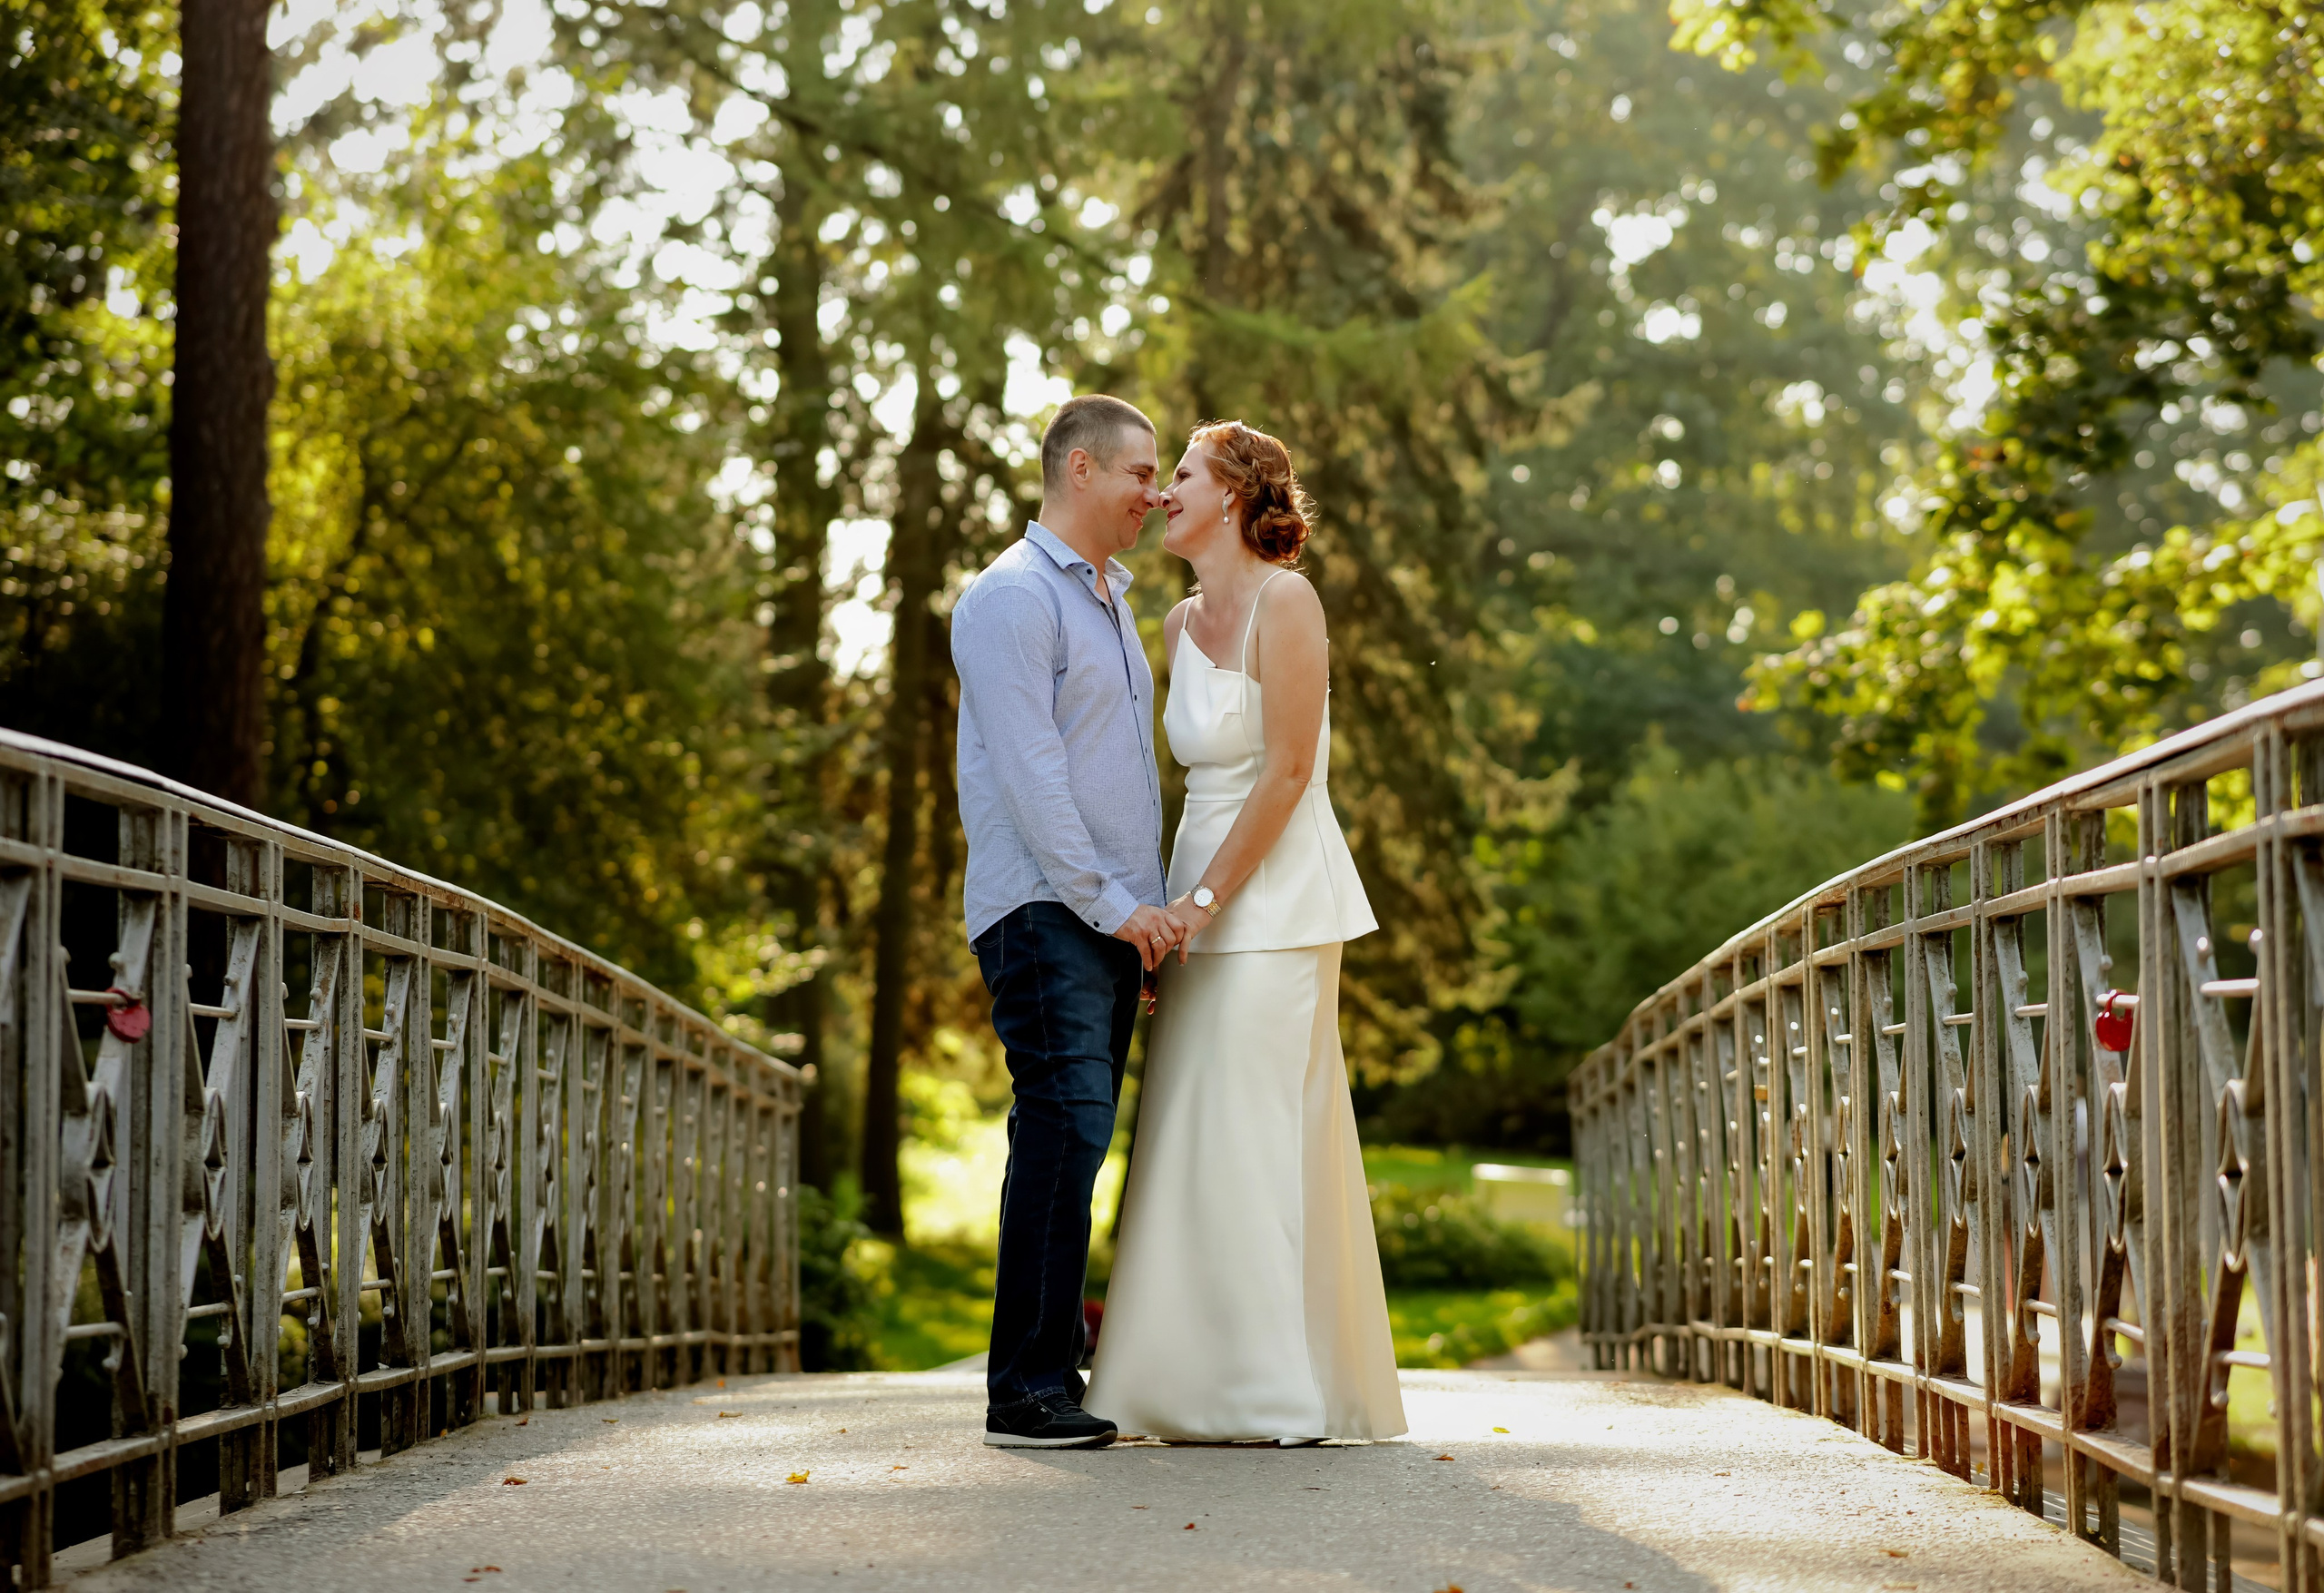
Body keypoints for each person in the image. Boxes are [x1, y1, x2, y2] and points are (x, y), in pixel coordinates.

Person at [1084, 419, 1406, 1446]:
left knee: (1261, 1129)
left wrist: (1207, 903)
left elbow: (1286, 771)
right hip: (1193, 902)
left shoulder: (1287, 600)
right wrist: (1157, 910)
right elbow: (1177, 781)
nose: (1159, 492)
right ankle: (1173, 1384)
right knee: (1186, 1131)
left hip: (1275, 904)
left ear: (1230, 494)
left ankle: (1278, 1394)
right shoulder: (1175, 625)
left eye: (1177, 474)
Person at [950, 393, 1183, 1449]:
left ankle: (1052, 1365)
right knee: (1064, 1124)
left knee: (1076, 1137)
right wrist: (1108, 904)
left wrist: (1138, 915)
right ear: (1079, 470)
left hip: (1103, 915)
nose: (1157, 493)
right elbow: (1037, 778)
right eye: (1141, 473)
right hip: (1046, 906)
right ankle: (1024, 1389)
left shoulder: (1107, 603)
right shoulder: (1009, 599)